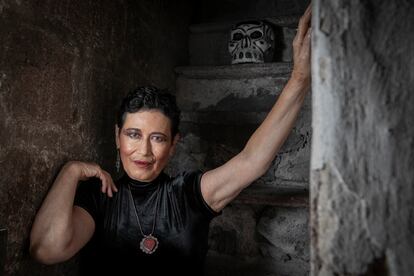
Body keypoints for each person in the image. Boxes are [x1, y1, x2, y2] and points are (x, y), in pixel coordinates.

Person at [29, 5, 311, 276]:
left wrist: (299, 78)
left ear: (174, 144)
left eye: (158, 138)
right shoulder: (100, 197)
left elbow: (252, 161)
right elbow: (47, 250)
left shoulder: (186, 195)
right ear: (117, 137)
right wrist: (71, 171)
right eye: (133, 135)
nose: (145, 151)